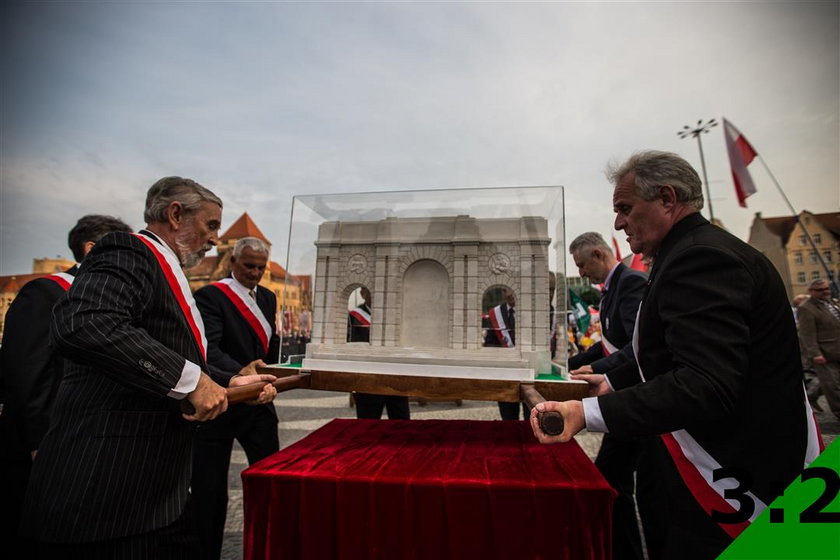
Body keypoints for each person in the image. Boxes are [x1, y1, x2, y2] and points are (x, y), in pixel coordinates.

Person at [531, 151, 821, 559]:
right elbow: (668, 352)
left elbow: (706, 383)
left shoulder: (700, 259)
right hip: (718, 467)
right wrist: (613, 380)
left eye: (625, 208)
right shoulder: (687, 253)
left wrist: (587, 414)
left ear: (667, 199)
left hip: (735, 478)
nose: (618, 222)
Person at [19, 176, 278, 557]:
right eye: (210, 225)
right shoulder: (128, 250)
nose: (214, 239)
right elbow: (86, 323)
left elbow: (179, 355)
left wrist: (236, 379)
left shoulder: (168, 271)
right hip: (108, 490)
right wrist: (191, 383)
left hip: (153, 488)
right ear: (176, 215)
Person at [0, 214, 132, 548]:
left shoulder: (108, 299)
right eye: (124, 250)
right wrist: (41, 443)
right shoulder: (44, 293)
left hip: (87, 442)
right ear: (91, 249)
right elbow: (28, 373)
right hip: (45, 443)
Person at [191, 236, 281, 559]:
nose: (255, 273)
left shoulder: (268, 298)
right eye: (248, 266)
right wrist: (241, 374)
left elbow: (269, 349)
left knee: (270, 482)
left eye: (260, 267)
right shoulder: (211, 297)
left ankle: (268, 548)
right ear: (233, 263)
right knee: (210, 490)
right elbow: (208, 349)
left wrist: (274, 376)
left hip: (258, 403)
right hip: (222, 400)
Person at [567, 231, 647, 560]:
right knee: (616, 479)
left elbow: (636, 346)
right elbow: (607, 342)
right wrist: (568, 365)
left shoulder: (630, 283)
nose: (582, 273)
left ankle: (624, 550)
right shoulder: (611, 290)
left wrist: (597, 368)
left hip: (635, 397)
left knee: (612, 479)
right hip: (623, 398)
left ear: (599, 255)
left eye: (583, 265)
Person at [348, 287, 410, 419]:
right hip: (368, 382)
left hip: (396, 380)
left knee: (402, 425)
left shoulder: (396, 315)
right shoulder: (353, 317)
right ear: (362, 294)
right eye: (371, 290)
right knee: (367, 427)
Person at [797, 278, 840, 419]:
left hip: (836, 349)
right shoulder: (806, 308)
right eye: (820, 290)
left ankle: (810, 396)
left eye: (827, 288)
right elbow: (806, 333)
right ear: (811, 291)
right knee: (832, 385)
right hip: (823, 353)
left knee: (828, 381)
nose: (825, 292)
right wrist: (814, 353)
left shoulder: (830, 303)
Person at [484, 288, 526, 420]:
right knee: (508, 419)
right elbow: (489, 343)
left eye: (512, 290)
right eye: (506, 291)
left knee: (531, 419)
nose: (509, 294)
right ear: (503, 292)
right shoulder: (495, 314)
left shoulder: (530, 311)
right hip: (506, 375)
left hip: (529, 373)